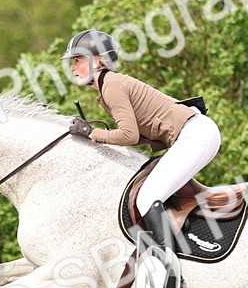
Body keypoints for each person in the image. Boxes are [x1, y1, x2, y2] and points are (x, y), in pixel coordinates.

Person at [61, 29, 221, 250]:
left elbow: (128, 135)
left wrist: (91, 133)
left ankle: (170, 270)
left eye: (77, 60)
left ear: (97, 60)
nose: (72, 67)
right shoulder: (110, 84)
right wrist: (97, 137)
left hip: (195, 135)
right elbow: (137, 136)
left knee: (147, 198)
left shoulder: (112, 85)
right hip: (197, 133)